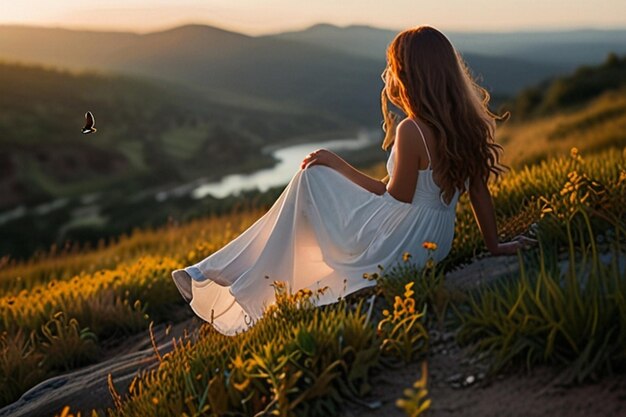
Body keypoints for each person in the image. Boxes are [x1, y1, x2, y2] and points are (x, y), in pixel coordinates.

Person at [171, 25, 535, 335]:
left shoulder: (412, 129)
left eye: (395, 68)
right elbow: (479, 193)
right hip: (434, 240)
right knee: (312, 183)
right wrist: (495, 245)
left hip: (401, 241)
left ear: (409, 76)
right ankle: (223, 269)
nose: (390, 76)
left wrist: (338, 164)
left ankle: (223, 272)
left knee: (311, 178)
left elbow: (396, 197)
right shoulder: (465, 123)